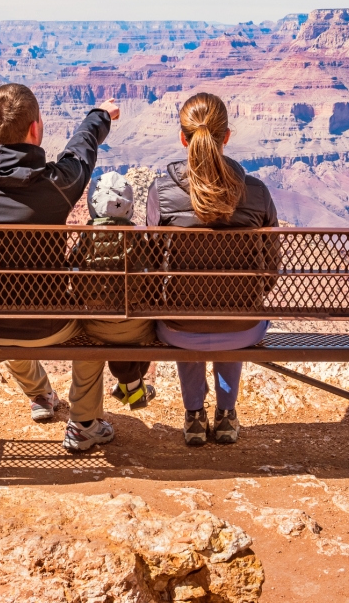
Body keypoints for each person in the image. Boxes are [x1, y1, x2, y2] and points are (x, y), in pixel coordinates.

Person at [0, 83, 120, 451]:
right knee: (99, 327)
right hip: (49, 324)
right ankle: (84, 421)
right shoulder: (58, 184)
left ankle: (41, 395)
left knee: (4, 317)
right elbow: (81, 151)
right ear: (36, 128)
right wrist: (100, 115)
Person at [146, 92, 278, 446]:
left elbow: (150, 262)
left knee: (186, 307)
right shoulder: (257, 192)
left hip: (179, 328)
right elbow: (271, 269)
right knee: (230, 306)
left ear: (183, 138)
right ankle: (226, 414)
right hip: (243, 326)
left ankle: (193, 415)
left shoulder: (162, 192)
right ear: (227, 137)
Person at [78, 171, 156, 409]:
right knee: (132, 325)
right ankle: (132, 386)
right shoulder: (138, 240)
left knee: (110, 320)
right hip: (138, 325)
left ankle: (131, 387)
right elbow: (151, 283)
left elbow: (78, 280)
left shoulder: (85, 240)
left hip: (94, 324)